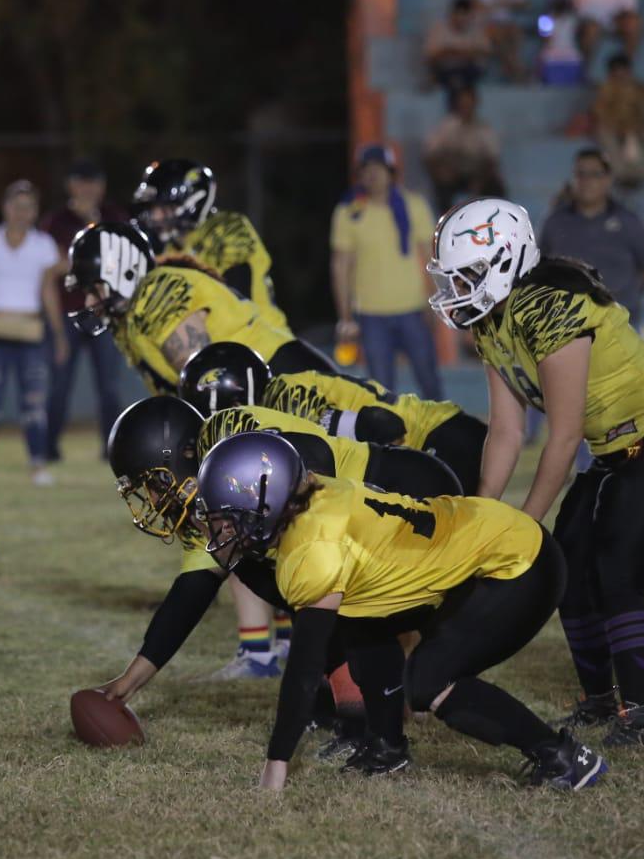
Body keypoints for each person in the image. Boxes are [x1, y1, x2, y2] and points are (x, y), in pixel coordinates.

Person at [430, 198, 644, 748]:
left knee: (615, 571)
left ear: (506, 261)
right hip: (614, 451)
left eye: (467, 273)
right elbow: (507, 432)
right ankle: (598, 701)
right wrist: (484, 513)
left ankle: (640, 714)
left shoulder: (549, 305)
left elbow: (563, 434)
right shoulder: (494, 322)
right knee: (570, 569)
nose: (457, 286)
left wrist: (522, 526)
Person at [190, 431, 607, 791]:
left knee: (428, 681)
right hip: (481, 545)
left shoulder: (312, 548)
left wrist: (276, 765)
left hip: (516, 562)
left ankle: (563, 757)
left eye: (225, 517)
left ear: (263, 500)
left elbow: (303, 669)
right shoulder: (316, 494)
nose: (219, 529)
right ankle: (386, 746)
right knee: (359, 618)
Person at [95, 394, 460, 686]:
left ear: (181, 456)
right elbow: (191, 594)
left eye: (152, 484)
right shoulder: (204, 502)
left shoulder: (231, 436)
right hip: (354, 529)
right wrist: (130, 681)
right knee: (258, 570)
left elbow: (314, 472)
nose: (154, 500)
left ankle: (384, 703)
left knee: (309, 592)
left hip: (403, 491)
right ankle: (363, 699)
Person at [176, 340, 487, 495]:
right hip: (438, 440)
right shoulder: (282, 394)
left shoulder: (285, 399)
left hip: (438, 440)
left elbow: (384, 426)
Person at [67, 221, 331, 395]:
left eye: (95, 289)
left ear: (122, 272)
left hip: (288, 380)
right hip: (258, 384)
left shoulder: (156, 294)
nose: (90, 302)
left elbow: (208, 389)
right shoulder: (129, 315)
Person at [0, 181, 63, 484]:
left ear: (35, 212)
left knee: (34, 403)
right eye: (16, 206)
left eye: (28, 207)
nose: (21, 213)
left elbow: (48, 292)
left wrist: (57, 334)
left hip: (30, 332)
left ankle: (37, 463)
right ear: (5, 208)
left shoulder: (42, 244)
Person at [330, 144, 443, 397]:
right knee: (382, 391)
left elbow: (430, 258)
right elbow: (341, 267)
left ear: (392, 173)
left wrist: (436, 302)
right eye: (366, 169)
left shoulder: (414, 206)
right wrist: (345, 317)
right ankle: (390, 439)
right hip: (371, 315)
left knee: (430, 382)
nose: (372, 175)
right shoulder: (348, 212)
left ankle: (440, 435)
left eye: (378, 169)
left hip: (413, 310)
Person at [131, 158, 288, 330]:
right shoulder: (171, 248)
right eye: (153, 209)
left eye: (165, 208)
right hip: (216, 343)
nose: (156, 217)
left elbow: (239, 297)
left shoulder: (226, 229)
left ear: (194, 203)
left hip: (261, 339)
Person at [39, 158, 127, 462]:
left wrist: (84, 250)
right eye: (82, 181)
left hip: (105, 314)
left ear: (102, 186)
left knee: (110, 388)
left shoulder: (115, 216)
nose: (88, 188)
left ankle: (113, 449)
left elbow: (125, 265)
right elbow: (49, 268)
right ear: (70, 185)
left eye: (94, 182)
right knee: (59, 385)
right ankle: (48, 448)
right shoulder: (56, 221)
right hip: (66, 314)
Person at [538, 149, 644, 326]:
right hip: (565, 325)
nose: (586, 181)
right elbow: (538, 266)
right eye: (581, 174)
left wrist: (626, 294)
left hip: (618, 325)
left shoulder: (629, 220)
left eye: (594, 174)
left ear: (608, 179)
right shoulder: (554, 221)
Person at [422, 86, 506, 213]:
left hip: (477, 175)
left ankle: (495, 221)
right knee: (442, 188)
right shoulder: (446, 127)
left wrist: (481, 179)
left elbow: (492, 159)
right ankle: (447, 224)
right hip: (452, 175)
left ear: (475, 104)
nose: (466, 107)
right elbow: (430, 155)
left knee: (496, 188)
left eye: (469, 103)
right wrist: (439, 172)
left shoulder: (484, 129)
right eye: (463, 103)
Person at [592, 53, 644, 189]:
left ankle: (640, 174)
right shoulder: (605, 90)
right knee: (605, 134)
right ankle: (621, 174)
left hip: (635, 127)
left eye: (624, 73)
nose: (621, 77)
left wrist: (634, 127)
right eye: (617, 74)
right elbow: (600, 113)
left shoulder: (640, 89)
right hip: (612, 127)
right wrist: (618, 127)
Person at [465, 0, 528, 81]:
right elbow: (475, 5)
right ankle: (516, 70)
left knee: (516, 33)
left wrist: (503, 3)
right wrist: (503, 3)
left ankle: (514, 67)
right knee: (497, 35)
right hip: (483, 23)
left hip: (506, 22)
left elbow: (523, 3)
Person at [421, 0, 492, 92]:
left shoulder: (476, 30)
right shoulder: (438, 29)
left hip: (469, 71)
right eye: (458, 14)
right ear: (452, 14)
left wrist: (454, 52)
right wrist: (461, 52)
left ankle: (463, 92)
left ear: (471, 16)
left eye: (465, 15)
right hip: (445, 71)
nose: (461, 19)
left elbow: (485, 52)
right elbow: (431, 56)